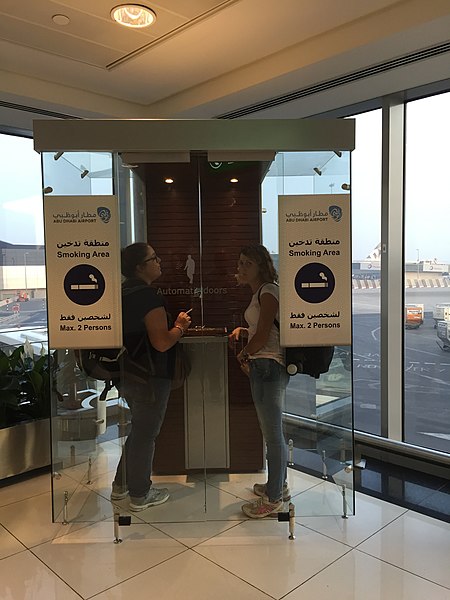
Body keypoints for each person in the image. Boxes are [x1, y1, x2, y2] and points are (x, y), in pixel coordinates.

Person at [111, 242, 191, 511]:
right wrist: (179, 327)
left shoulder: (120, 293)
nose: (160, 262)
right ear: (139, 267)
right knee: (147, 433)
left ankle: (121, 485)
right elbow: (161, 342)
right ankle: (140, 494)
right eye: (154, 258)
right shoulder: (147, 297)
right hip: (151, 376)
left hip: (128, 372)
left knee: (140, 429)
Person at [229, 244, 290, 518]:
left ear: (260, 266)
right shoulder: (261, 292)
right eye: (240, 262)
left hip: (267, 365)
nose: (240, 268)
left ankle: (273, 498)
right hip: (264, 363)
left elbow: (265, 333)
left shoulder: (269, 290)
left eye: (247, 264)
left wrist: (243, 353)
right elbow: (261, 327)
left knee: (273, 435)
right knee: (273, 433)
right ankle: (278, 485)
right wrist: (244, 330)